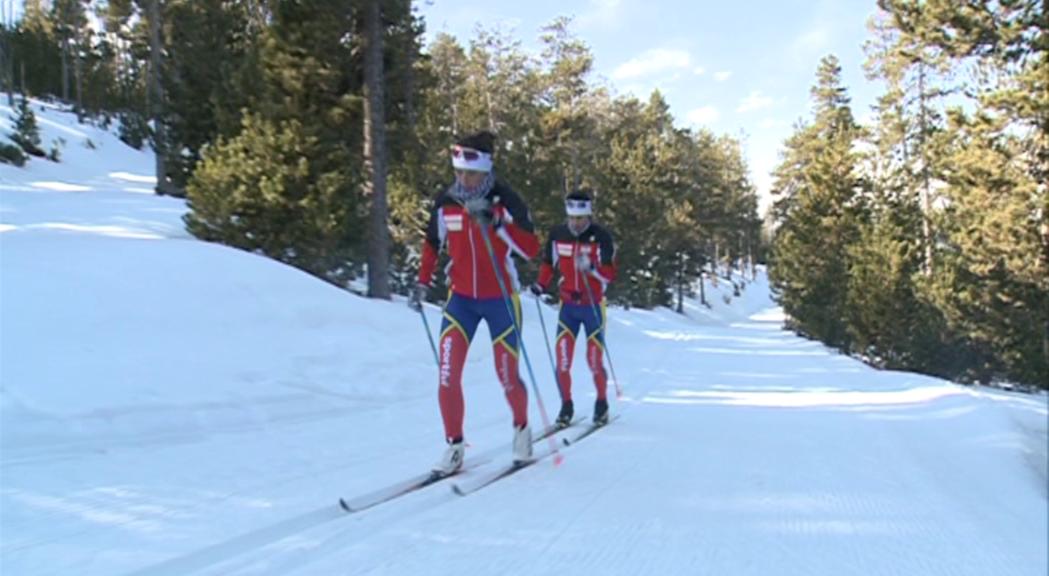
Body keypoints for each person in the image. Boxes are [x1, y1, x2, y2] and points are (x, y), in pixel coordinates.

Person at [409, 131, 540, 475]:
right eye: (459, 172)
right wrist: (422, 282)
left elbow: (531, 250)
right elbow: (431, 243)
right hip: (461, 300)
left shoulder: (506, 200)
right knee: (447, 376)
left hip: (501, 299)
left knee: (506, 375)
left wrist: (498, 226)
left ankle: (522, 428)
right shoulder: (447, 201)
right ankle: (454, 445)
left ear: (485, 170)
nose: (463, 180)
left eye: (470, 173)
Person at [530, 190, 617, 427]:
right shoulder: (558, 235)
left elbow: (610, 273)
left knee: (593, 359)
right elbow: (549, 263)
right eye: (572, 219)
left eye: (581, 219)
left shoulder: (601, 237)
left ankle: (601, 403)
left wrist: (592, 268)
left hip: (593, 306)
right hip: (568, 306)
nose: (576, 224)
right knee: (563, 360)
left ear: (589, 216)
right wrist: (540, 284)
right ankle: (566, 405)